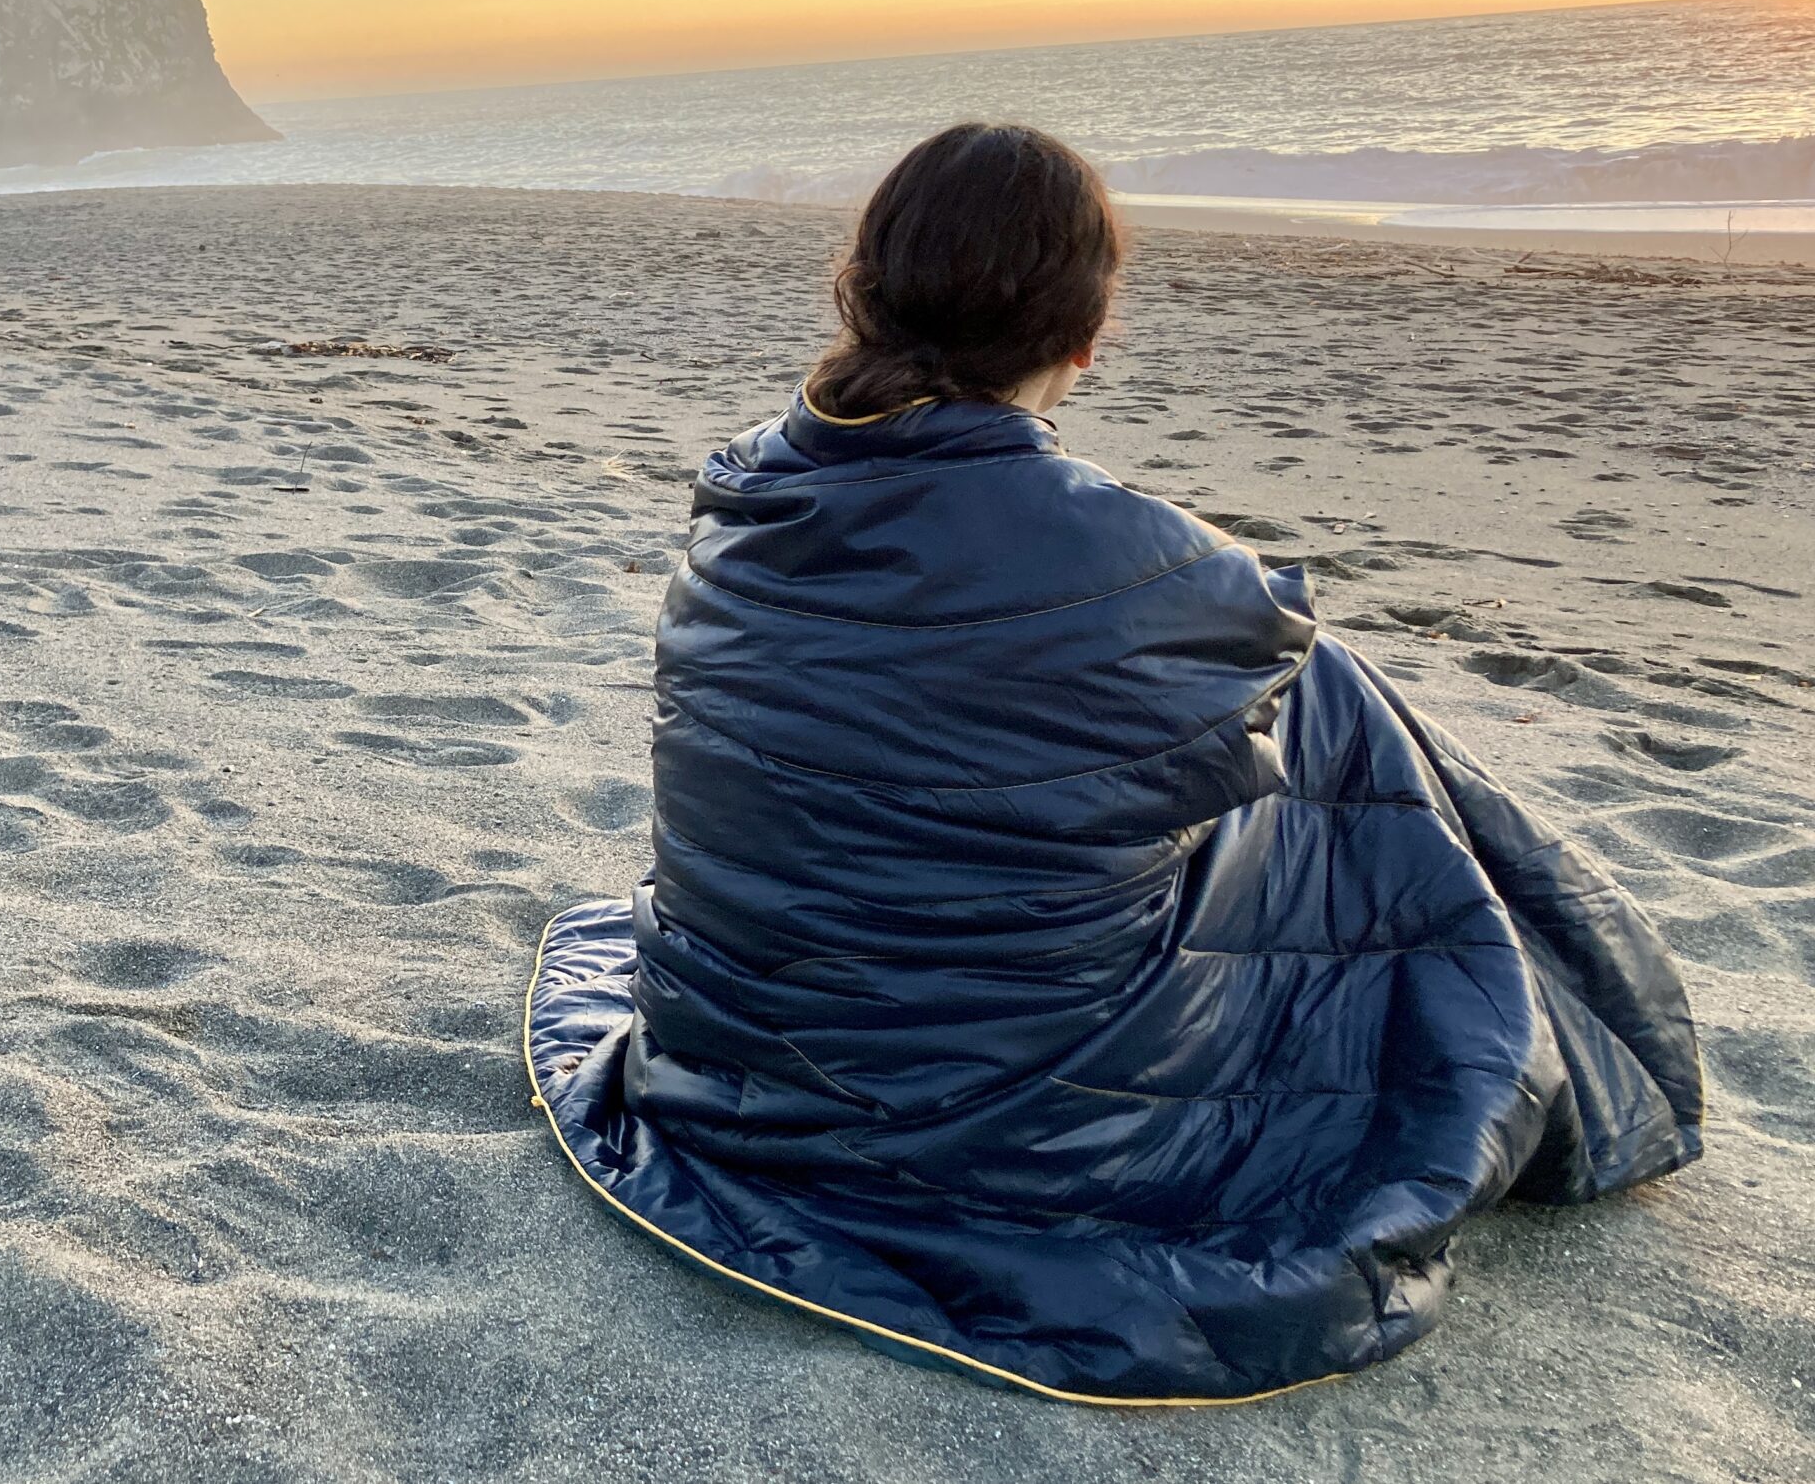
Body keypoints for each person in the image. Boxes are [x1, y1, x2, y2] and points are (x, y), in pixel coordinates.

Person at [523, 123, 1703, 1405]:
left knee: (1231, 696)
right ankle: (1583, 1026)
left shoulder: (746, 503)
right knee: (1323, 694)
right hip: (1009, 1116)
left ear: (862, 288)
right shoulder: (1160, 571)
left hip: (726, 1047)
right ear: (1086, 332)